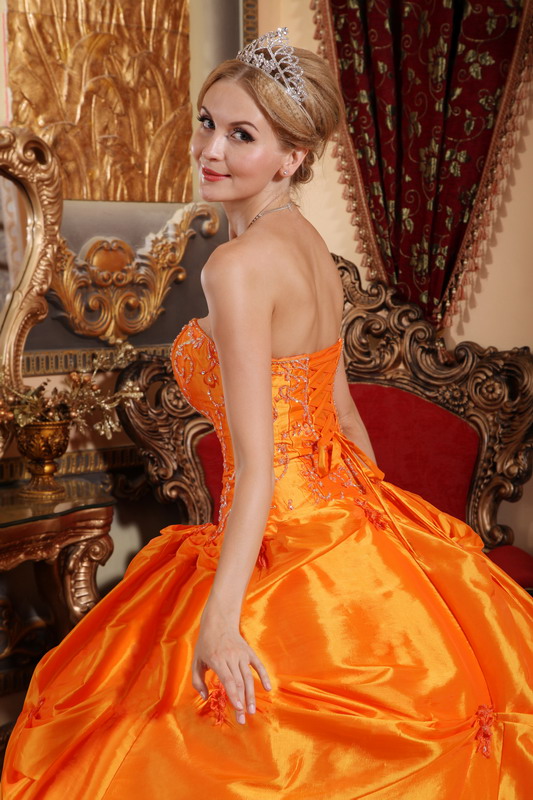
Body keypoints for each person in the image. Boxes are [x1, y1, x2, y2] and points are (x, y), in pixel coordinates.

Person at [2, 27, 532, 800]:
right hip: (340, 514)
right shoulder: (307, 244)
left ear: (291, 158)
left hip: (280, 531)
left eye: (241, 134)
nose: (209, 149)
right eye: (206, 122)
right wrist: (375, 529)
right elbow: (342, 414)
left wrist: (221, 622)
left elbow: (254, 466)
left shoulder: (238, 266)